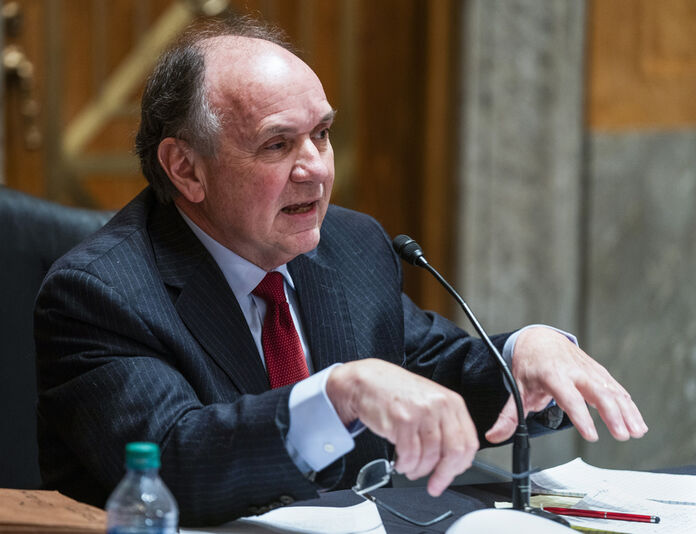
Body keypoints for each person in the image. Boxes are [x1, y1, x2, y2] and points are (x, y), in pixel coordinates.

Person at [34, 17, 647, 527]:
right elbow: (175, 464)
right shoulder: (99, 294)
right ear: (186, 169)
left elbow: (432, 375)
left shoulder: (352, 245)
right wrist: (337, 395)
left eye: (321, 135)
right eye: (277, 145)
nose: (315, 170)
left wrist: (523, 356)